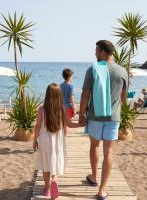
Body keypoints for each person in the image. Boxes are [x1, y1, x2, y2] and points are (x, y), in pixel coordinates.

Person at [79, 40, 127, 200]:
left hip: (95, 116)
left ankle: (94, 176)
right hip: (113, 118)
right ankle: (102, 190)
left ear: (104, 52)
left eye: (97, 51)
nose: (95, 54)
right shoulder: (122, 71)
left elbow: (85, 94)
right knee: (109, 152)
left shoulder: (93, 69)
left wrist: (81, 114)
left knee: (94, 146)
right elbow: (124, 97)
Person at [33, 83, 83, 200]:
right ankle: (54, 179)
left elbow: (37, 126)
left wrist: (35, 140)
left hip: (45, 140)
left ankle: (47, 189)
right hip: (58, 141)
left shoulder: (41, 109)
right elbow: (69, 124)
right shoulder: (63, 109)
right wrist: (80, 124)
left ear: (47, 95)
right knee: (54, 161)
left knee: (46, 165)